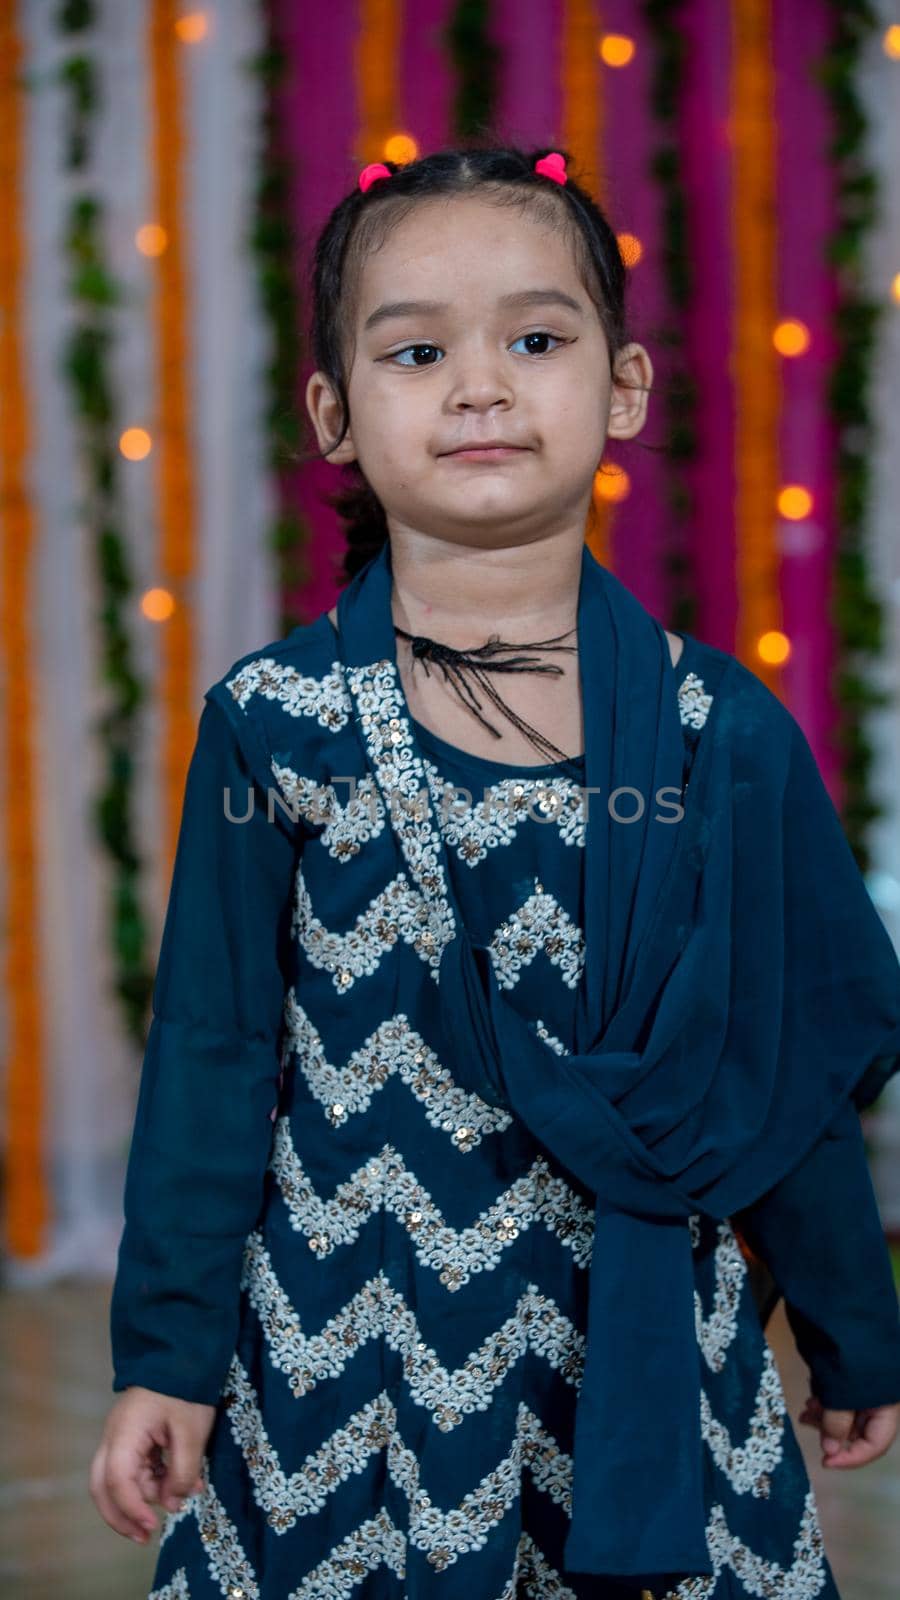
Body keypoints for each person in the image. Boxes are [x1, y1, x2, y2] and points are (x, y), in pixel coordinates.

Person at [90, 144, 900, 1600]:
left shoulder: (722, 734)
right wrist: (166, 1359)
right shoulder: (275, 723)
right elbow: (213, 1054)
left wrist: (853, 1326)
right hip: (344, 1367)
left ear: (627, 388)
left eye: (536, 339)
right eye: (418, 350)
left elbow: (791, 1069)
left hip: (643, 1354)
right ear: (335, 413)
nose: (481, 384)